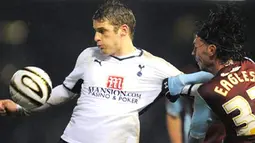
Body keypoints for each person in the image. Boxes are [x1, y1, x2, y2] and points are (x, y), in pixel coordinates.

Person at [0, 0, 195, 143]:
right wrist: (21, 108)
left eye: (102, 31)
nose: (96, 37)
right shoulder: (88, 56)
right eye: (95, 30)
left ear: (123, 31)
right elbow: (65, 92)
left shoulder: (156, 67)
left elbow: (203, 90)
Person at [163, 3, 255, 143]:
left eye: (196, 47)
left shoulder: (207, 92)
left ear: (211, 50)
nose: (193, 52)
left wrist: (179, 81)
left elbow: (196, 137)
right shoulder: (248, 64)